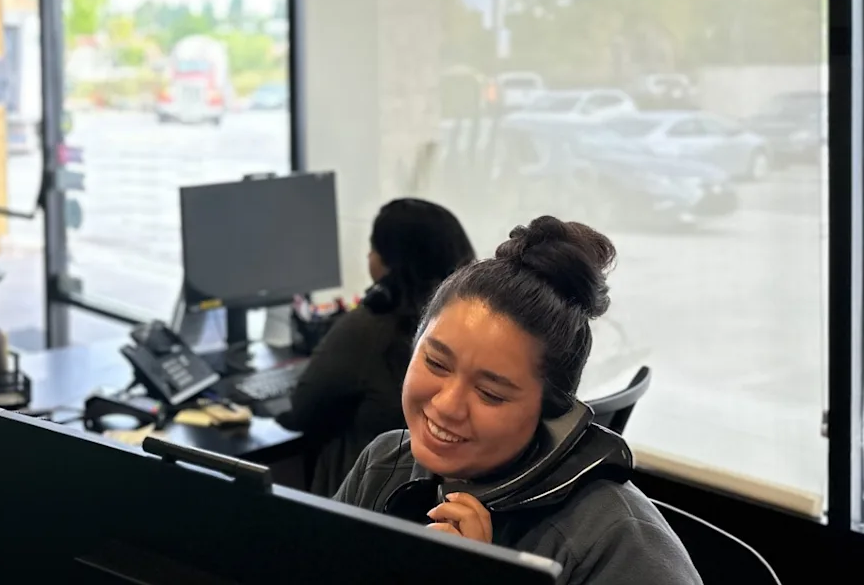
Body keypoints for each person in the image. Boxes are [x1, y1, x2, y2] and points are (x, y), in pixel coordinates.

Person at [335, 216, 702, 585]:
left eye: (490, 393)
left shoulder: (620, 546)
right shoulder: (383, 467)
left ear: (550, 409)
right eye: (436, 362)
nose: (447, 405)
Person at [278, 198, 475, 495]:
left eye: (374, 248)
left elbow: (303, 409)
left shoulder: (369, 329)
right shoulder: (469, 327)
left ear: (391, 263)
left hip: (362, 497)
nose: (369, 255)